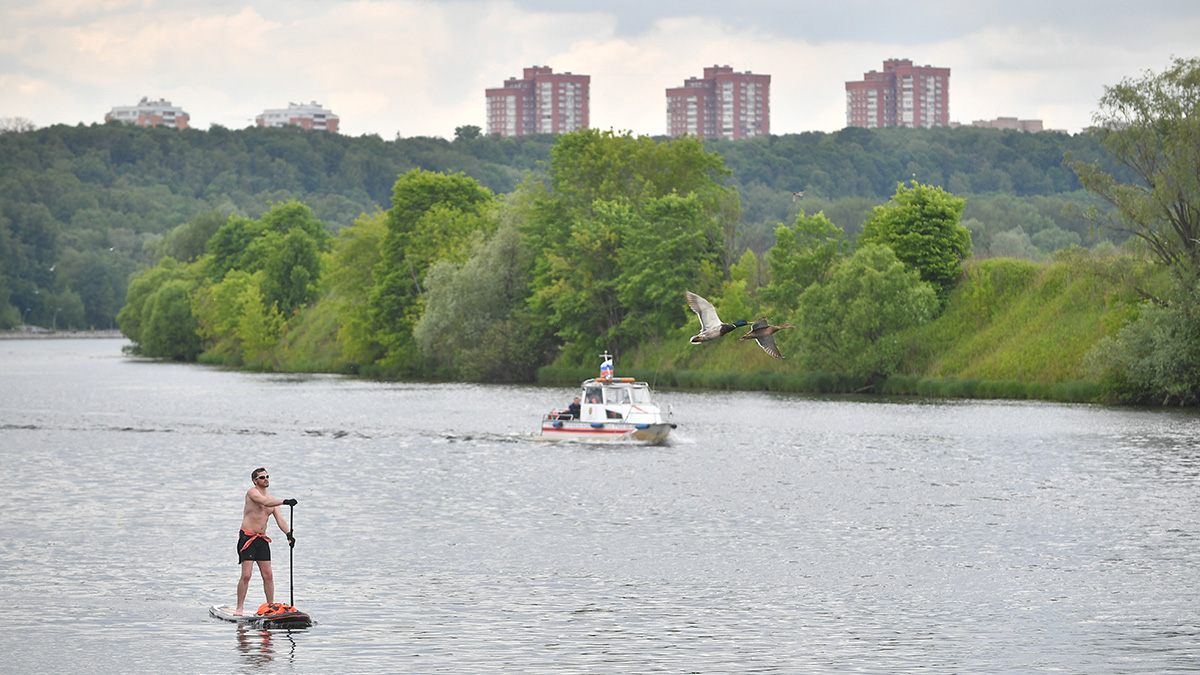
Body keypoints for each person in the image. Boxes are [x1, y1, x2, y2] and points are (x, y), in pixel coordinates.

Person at [235, 467, 297, 615]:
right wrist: (284, 501)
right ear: (255, 481)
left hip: (262, 540)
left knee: (268, 575)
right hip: (247, 538)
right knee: (246, 575)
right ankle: (239, 608)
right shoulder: (252, 493)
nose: (266, 479)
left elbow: (280, 520)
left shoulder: (272, 500)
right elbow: (264, 501)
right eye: (262, 477)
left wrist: (288, 534)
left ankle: (270, 607)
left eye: (267, 476)